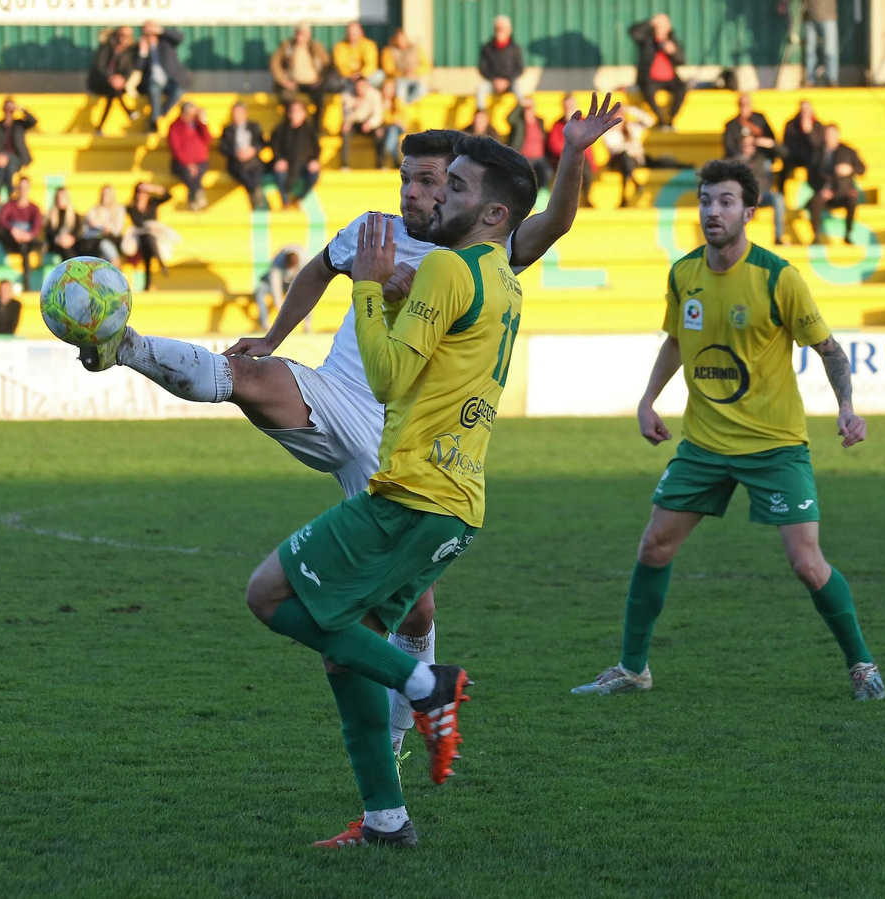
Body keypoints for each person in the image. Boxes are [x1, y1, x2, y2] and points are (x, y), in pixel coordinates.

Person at [78, 97, 622, 762]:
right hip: (332, 394)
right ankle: (122, 345)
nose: (418, 191)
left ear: (461, 188)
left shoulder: (480, 248)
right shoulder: (373, 233)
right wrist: (276, 333)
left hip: (399, 435)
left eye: (434, 180)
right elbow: (316, 269)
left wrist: (572, 155)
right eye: (410, 178)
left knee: (410, 611)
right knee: (252, 375)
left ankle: (399, 731)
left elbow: (557, 220)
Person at [238, 133, 542, 848]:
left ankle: (425, 683)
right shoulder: (503, 276)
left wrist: (371, 284)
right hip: (455, 503)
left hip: (408, 494)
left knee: (267, 595)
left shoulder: (446, 270)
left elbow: (386, 379)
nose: (438, 197)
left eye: (457, 188)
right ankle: (386, 818)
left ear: (494, 214)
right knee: (346, 649)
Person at [571, 157, 882, 703]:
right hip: (705, 445)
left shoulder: (778, 277)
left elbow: (828, 349)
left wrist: (846, 407)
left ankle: (861, 665)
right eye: (706, 200)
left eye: (726, 201)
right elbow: (674, 341)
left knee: (807, 564)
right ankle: (632, 668)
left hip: (775, 446)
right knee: (653, 548)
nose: (713, 211)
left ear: (750, 212)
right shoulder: (684, 273)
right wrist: (648, 400)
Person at [808, 124, 864, 245]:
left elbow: (862, 168)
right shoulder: (817, 153)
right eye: (828, 134)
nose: (830, 137)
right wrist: (821, 190)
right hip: (825, 192)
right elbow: (811, 176)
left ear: (838, 135)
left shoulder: (848, 151)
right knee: (814, 202)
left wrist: (850, 169)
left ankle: (848, 233)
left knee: (852, 200)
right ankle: (816, 235)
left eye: (833, 134)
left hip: (843, 191)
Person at [629, 13, 686, 131]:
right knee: (648, 91)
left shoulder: (673, 41)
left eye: (663, 25)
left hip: (670, 79)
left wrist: (673, 52)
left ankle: (670, 120)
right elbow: (633, 32)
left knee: (682, 88)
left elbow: (682, 60)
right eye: (658, 25)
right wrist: (650, 23)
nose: (660, 28)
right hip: (650, 78)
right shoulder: (647, 39)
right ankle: (661, 120)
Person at [734, 132, 786, 246]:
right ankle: (739, 242)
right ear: (740, 144)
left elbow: (785, 154)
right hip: (745, 196)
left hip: (764, 194)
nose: (748, 146)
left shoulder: (761, 158)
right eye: (745, 143)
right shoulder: (735, 162)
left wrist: (771, 144)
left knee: (778, 198)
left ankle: (779, 238)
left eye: (751, 143)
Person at [137, 21, 188, 133]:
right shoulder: (142, 47)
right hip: (153, 82)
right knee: (153, 89)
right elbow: (138, 67)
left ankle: (159, 116)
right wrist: (142, 53)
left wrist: (161, 30)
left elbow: (180, 38)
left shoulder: (165, 42)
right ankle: (155, 123)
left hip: (170, 80)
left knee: (178, 92)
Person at [271, 23, 332, 118]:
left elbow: (327, 64)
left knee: (320, 99)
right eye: (298, 33)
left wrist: (321, 79)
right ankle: (290, 123)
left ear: (308, 35)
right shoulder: (288, 46)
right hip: (293, 83)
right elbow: (274, 63)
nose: (300, 36)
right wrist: (284, 81)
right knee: (286, 97)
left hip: (313, 83)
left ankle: (316, 128)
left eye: (302, 34)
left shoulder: (315, 46)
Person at [270, 101, 322, 209]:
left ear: (304, 114)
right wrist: (279, 159)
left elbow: (317, 148)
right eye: (293, 111)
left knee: (314, 174)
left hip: (304, 164)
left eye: (298, 111)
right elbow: (274, 146)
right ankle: (285, 201)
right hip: (286, 164)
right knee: (279, 172)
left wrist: (314, 160)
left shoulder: (310, 130)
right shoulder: (281, 129)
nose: (295, 114)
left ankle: (300, 198)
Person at [547, 94, 596, 209]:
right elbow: (554, 145)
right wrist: (570, 150)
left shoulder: (584, 122)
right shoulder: (557, 125)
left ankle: (586, 197)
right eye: (567, 106)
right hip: (564, 158)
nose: (569, 109)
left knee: (586, 170)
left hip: (583, 157)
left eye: (571, 106)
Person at [88, 26, 138, 135]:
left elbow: (128, 70)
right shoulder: (106, 47)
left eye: (128, 36)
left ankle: (100, 127)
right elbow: (99, 67)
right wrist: (111, 79)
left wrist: (122, 79)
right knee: (113, 91)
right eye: (122, 35)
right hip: (100, 82)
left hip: (117, 86)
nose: (125, 38)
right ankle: (128, 111)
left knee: (112, 94)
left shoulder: (129, 51)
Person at [603, 105, 656, 207]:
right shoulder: (608, 132)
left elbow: (650, 121)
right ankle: (633, 181)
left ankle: (625, 195)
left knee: (663, 161)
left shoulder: (633, 127)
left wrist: (631, 109)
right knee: (625, 157)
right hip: (618, 161)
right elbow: (614, 149)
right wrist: (631, 149)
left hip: (634, 161)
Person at [0, 177, 43, 288]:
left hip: (25, 242)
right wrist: (13, 230)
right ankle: (27, 284)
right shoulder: (10, 205)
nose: (23, 190)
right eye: (21, 187)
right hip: (12, 241)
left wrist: (28, 235)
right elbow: (1, 220)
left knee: (25, 247)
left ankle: (27, 282)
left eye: (25, 187)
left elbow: (36, 227)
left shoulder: (34, 208)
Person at [124, 182, 174, 290]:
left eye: (145, 192)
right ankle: (160, 262)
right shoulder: (131, 208)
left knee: (148, 243)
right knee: (147, 239)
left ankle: (147, 284)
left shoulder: (153, 204)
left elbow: (169, 196)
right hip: (139, 237)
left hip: (152, 237)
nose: (142, 195)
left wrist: (153, 188)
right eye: (140, 192)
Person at [220, 102, 268, 210]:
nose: (236, 116)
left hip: (253, 159)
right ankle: (255, 191)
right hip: (236, 161)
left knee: (256, 169)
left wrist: (252, 150)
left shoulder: (254, 126)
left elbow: (261, 143)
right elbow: (223, 148)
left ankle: (254, 194)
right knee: (242, 170)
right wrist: (237, 153)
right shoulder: (228, 130)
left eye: (238, 113)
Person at [0, 98, 37, 200]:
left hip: (18, 158)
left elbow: (33, 121)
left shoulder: (19, 124)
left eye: (11, 109)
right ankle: (11, 194)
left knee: (7, 163)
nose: (9, 112)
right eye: (7, 109)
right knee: (7, 167)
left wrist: (22, 109)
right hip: (2, 160)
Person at [167, 101, 211, 210]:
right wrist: (188, 164)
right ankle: (197, 194)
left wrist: (203, 121)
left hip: (200, 161)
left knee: (198, 172)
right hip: (182, 163)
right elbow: (176, 148)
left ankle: (193, 196)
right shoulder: (175, 127)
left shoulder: (198, 125)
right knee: (189, 173)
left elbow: (208, 139)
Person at [476, 15, 525, 111]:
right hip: (492, 82)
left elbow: (519, 68)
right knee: (481, 89)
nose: (500, 31)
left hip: (509, 82)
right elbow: (483, 68)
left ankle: (522, 117)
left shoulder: (515, 48)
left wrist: (507, 80)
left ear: (509, 30)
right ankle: (480, 116)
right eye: (498, 28)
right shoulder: (487, 48)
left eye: (503, 28)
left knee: (519, 91)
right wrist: (495, 80)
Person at [252, 245, 303, 330]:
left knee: (308, 292)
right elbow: (275, 287)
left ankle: (307, 325)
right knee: (260, 290)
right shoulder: (277, 262)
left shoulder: (306, 261)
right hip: (278, 282)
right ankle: (264, 323)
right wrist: (281, 311)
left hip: (291, 281)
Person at [340, 74, 384, 171]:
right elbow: (346, 115)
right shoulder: (348, 95)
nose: (360, 89)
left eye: (362, 87)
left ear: (367, 85)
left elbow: (378, 116)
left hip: (370, 124)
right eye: (358, 87)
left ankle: (380, 164)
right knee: (345, 130)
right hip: (355, 123)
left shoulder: (375, 94)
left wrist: (370, 124)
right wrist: (355, 106)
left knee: (380, 132)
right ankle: (345, 165)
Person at [507, 96, 551, 189]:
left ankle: (538, 197)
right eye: (526, 108)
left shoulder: (540, 121)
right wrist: (520, 104)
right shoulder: (519, 122)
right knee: (523, 178)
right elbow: (510, 118)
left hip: (540, 158)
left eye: (530, 107)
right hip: (524, 157)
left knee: (547, 173)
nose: (528, 110)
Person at [781, 100, 824, 191]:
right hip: (794, 156)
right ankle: (781, 192)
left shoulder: (818, 125)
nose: (805, 113)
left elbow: (819, 145)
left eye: (807, 110)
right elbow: (787, 143)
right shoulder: (791, 124)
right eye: (803, 110)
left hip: (811, 157)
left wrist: (809, 133)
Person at [723, 92, 776, 160]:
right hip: (740, 157)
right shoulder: (731, 125)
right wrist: (743, 146)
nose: (744, 107)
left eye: (747, 104)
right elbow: (729, 146)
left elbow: (771, 139)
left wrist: (757, 142)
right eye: (742, 104)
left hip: (760, 156)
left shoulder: (760, 119)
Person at [381, 28, 427, 105]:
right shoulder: (389, 51)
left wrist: (415, 70)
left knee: (422, 90)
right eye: (398, 39)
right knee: (401, 91)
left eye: (402, 39)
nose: (401, 41)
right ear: (395, 39)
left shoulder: (416, 49)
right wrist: (402, 72)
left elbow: (426, 66)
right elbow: (388, 69)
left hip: (415, 78)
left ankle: (406, 106)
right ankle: (402, 108)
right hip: (399, 79)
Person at [83, 184, 127, 264]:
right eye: (103, 194)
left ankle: (115, 265)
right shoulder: (95, 209)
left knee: (105, 245)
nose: (105, 196)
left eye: (107, 194)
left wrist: (104, 225)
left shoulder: (119, 209)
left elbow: (117, 229)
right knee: (102, 245)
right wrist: (102, 227)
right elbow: (88, 228)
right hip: (96, 241)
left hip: (113, 239)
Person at [332, 22, 381, 87]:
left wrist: (361, 75)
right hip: (347, 78)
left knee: (379, 75)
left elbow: (371, 64)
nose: (352, 34)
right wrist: (350, 75)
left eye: (354, 32)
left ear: (361, 32)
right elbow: (340, 65)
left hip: (365, 77)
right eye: (350, 32)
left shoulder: (369, 45)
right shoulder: (340, 46)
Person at [802, 0, 839, 87]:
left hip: (828, 16)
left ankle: (832, 80)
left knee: (830, 51)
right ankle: (809, 80)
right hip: (809, 17)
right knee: (809, 51)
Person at [44, 186, 82, 262]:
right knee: (65, 250)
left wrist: (71, 239)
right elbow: (49, 233)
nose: (60, 200)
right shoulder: (51, 215)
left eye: (62, 197)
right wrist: (58, 239)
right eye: (58, 197)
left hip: (71, 244)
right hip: (55, 245)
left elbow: (78, 231)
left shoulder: (74, 215)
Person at [378, 80, 405, 169]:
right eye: (386, 88)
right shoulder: (379, 102)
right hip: (386, 127)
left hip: (398, 127)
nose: (388, 91)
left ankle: (385, 153)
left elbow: (404, 116)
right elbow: (381, 118)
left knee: (393, 129)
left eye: (390, 88)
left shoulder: (397, 101)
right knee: (392, 135)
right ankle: (396, 162)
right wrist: (393, 119)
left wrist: (395, 120)